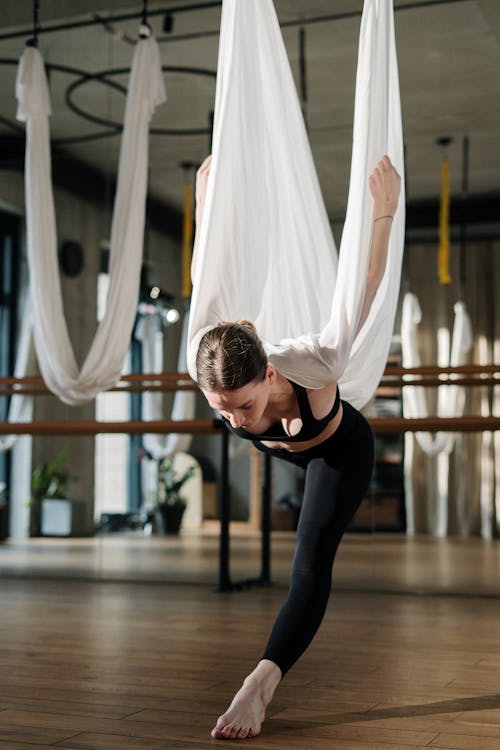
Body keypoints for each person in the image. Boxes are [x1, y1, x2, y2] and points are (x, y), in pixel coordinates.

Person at [193, 154, 401, 740]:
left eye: (245, 405)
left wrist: (382, 213)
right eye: (222, 409)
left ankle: (259, 684)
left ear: (271, 378)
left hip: (340, 450)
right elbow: (203, 280)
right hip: (292, 449)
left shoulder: (316, 364)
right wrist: (207, 207)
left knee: (309, 561)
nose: (234, 417)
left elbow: (364, 286)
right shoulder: (207, 355)